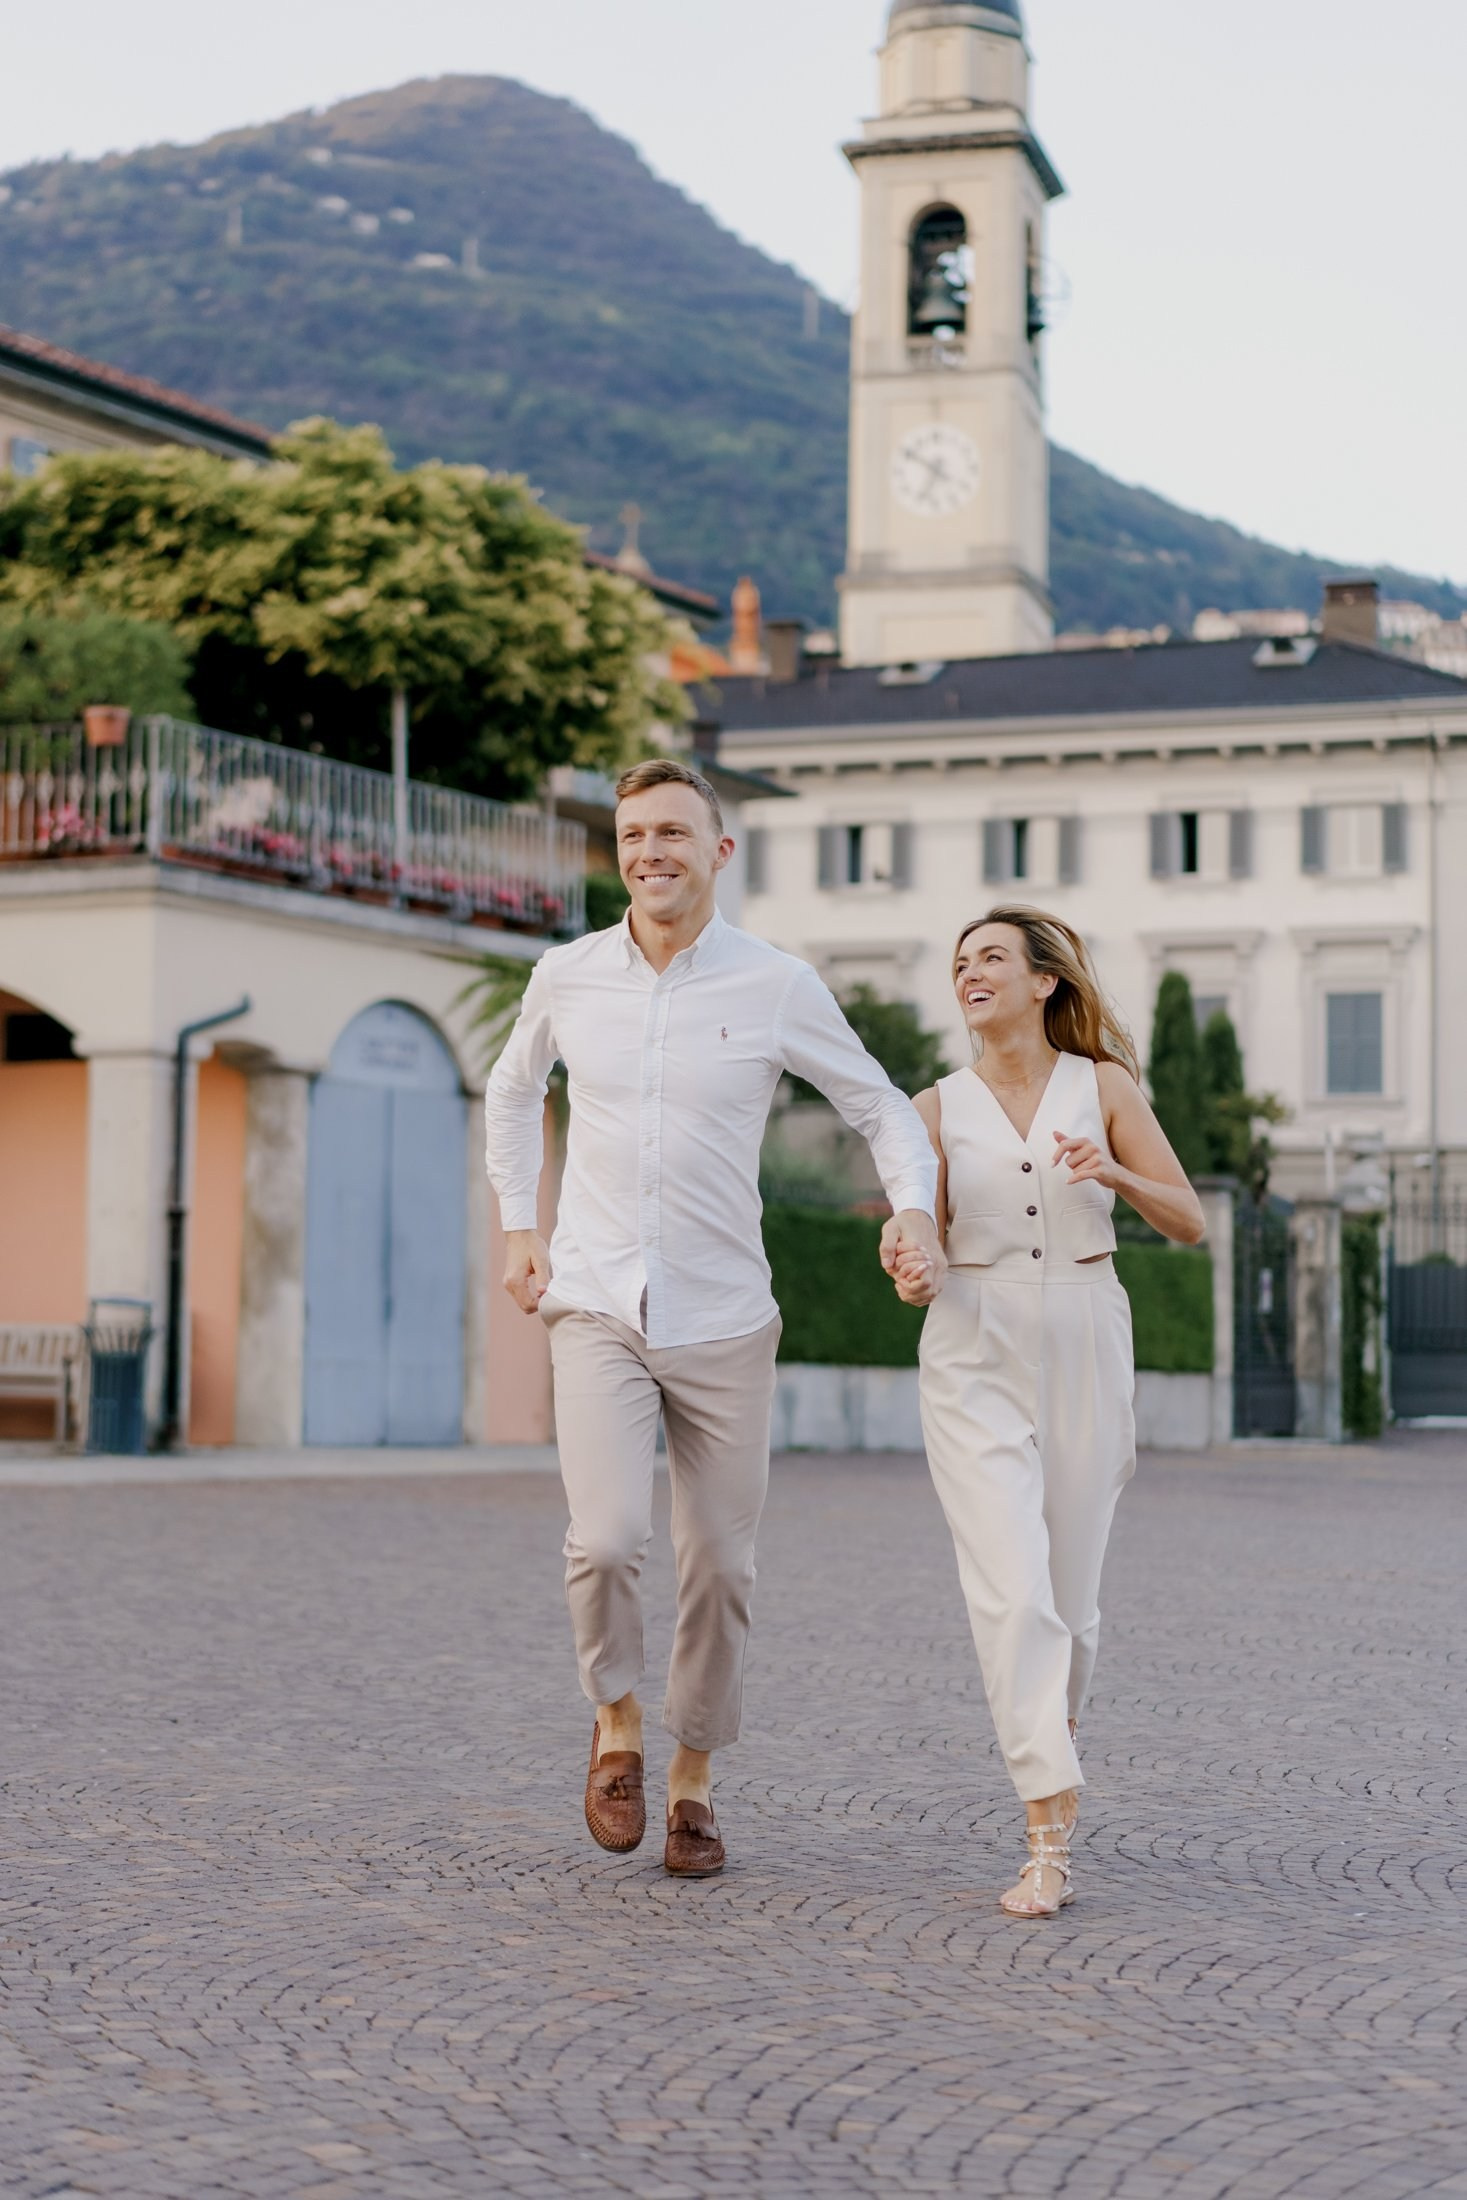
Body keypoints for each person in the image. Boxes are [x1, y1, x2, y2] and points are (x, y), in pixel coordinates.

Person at [484, 758, 944, 1877]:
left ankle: (691, 1774)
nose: (652, 852)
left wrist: (919, 1212)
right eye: (635, 833)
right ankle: (617, 1725)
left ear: (718, 852)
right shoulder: (569, 974)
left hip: (727, 1317)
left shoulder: (776, 983)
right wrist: (517, 1222)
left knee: (721, 1567)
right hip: (596, 1299)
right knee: (602, 1540)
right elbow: (510, 1088)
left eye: (675, 833)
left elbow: (880, 1104)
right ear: (619, 850)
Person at [895, 906, 1203, 1918]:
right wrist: (912, 1259)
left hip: (1084, 1332)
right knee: (1012, 1588)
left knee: (1070, 1604)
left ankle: (1052, 1819)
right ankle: (1045, 1823)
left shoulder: (1102, 1085)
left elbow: (1189, 1219)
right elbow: (915, 1235)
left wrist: (1112, 1171)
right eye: (959, 963)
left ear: (1043, 982)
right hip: (972, 1342)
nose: (970, 973)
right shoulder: (930, 1107)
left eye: (992, 958)